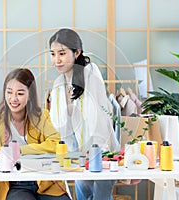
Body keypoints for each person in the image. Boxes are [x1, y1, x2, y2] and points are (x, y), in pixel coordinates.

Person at [0, 68, 70, 200]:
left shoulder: (41, 117)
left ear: (30, 94)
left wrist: (17, 151)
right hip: (13, 185)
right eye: (9, 92)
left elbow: (56, 144)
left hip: (45, 182)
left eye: (20, 93)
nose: (13, 99)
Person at [49, 28, 120, 200]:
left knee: (101, 196)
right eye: (52, 54)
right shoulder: (59, 83)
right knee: (82, 194)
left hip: (99, 150)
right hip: (77, 153)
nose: (56, 60)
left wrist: (96, 148)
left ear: (77, 52)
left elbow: (101, 115)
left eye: (62, 53)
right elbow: (59, 124)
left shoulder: (90, 72)